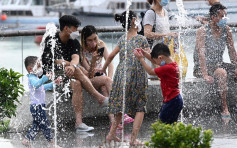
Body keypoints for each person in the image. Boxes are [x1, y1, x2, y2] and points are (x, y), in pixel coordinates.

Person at [41, 15, 108, 132]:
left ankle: (79, 123)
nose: (77, 31)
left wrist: (72, 65)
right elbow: (57, 61)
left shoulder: (74, 42)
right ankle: (100, 98)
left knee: (76, 83)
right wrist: (72, 65)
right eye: (75, 28)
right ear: (67, 28)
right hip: (50, 76)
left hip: (68, 74)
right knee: (78, 70)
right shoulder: (51, 39)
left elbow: (75, 57)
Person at [101, 10, 149, 146]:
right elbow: (149, 56)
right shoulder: (141, 39)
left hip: (121, 74)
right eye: (138, 18)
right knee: (140, 107)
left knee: (120, 106)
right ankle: (133, 140)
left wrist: (103, 69)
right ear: (134, 20)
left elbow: (110, 56)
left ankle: (111, 134)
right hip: (136, 74)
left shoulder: (122, 38)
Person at [80, 25, 134, 129]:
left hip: (101, 78)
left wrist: (109, 78)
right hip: (88, 80)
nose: (93, 43)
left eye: (95, 38)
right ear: (84, 40)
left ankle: (114, 123)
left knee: (105, 88)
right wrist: (94, 62)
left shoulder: (101, 45)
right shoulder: (81, 50)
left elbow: (110, 64)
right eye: (89, 40)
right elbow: (89, 74)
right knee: (105, 80)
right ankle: (121, 112)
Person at [195, 4, 237, 119]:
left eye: (225, 16)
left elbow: (231, 50)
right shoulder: (202, 31)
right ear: (213, 17)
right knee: (222, 73)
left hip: (218, 63)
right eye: (222, 16)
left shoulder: (226, 29)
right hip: (203, 66)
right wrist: (205, 74)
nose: (225, 19)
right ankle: (224, 107)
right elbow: (201, 54)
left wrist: (236, 66)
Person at [134, 43, 183, 124]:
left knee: (161, 125)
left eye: (156, 61)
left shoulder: (167, 68)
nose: (155, 63)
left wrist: (141, 59)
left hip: (172, 100)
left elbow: (150, 71)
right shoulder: (172, 64)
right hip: (176, 99)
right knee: (170, 125)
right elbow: (156, 60)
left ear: (160, 57)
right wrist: (145, 53)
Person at [22, 56, 61, 148]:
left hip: (39, 106)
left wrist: (54, 84)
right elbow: (36, 85)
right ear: (30, 69)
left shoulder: (36, 78)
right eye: (39, 66)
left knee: (37, 125)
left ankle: (27, 140)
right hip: (37, 106)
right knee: (45, 124)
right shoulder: (32, 79)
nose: (41, 69)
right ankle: (52, 143)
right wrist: (44, 78)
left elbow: (42, 88)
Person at [143, 0, 178, 79]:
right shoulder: (150, 13)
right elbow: (147, 33)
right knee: (155, 79)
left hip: (165, 53)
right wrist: (166, 35)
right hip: (154, 53)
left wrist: (172, 35)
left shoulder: (165, 11)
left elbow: (166, 32)